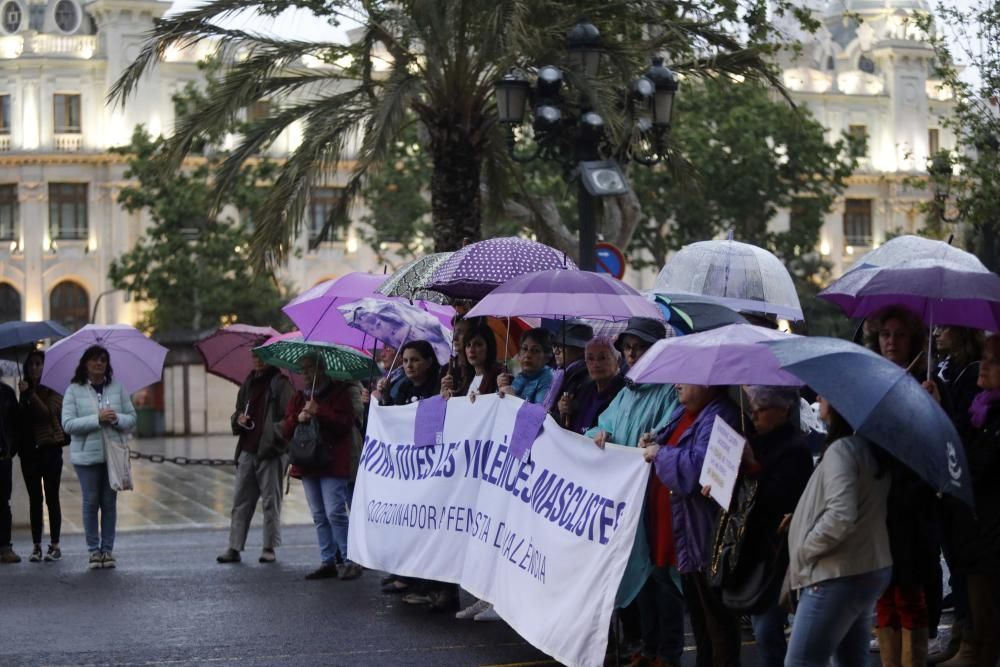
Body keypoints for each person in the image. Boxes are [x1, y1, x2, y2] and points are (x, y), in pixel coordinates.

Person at [583, 318, 678, 663]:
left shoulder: (670, 389)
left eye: (641, 347)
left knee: (663, 577)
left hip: (658, 499)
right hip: (630, 502)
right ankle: (647, 648)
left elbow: (671, 431)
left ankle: (667, 653)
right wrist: (599, 433)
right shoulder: (626, 392)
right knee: (641, 574)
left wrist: (655, 440)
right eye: (628, 347)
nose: (633, 353)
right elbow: (601, 425)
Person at [783, 395, 893, 666]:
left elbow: (841, 515)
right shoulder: (866, 447)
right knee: (850, 660)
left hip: (836, 571)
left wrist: (805, 549)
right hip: (864, 567)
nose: (818, 398)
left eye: (824, 395)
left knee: (800, 662)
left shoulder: (842, 450)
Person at [641, 384, 742, 667]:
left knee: (717, 626)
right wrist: (652, 440)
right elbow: (668, 443)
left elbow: (695, 470)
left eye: (686, 377)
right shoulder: (684, 411)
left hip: (706, 536)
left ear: (708, 383)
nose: (677, 384)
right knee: (700, 625)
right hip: (687, 534)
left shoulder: (720, 416)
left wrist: (659, 453)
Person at [867, 306, 938, 667]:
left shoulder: (924, 385)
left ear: (914, 342)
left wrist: (933, 408)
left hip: (911, 508)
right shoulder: (871, 381)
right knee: (883, 595)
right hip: (878, 505)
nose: (891, 342)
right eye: (885, 334)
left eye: (899, 335)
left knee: (910, 594)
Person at [738, 386, 815, 667]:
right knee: (764, 627)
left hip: (780, 551)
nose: (755, 415)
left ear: (783, 411)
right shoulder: (756, 440)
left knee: (767, 627)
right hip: (756, 547)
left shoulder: (795, 449)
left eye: (762, 408)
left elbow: (778, 498)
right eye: (753, 408)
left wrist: (752, 466)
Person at [282, 353, 362, 581]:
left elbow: (346, 423)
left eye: (309, 369)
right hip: (308, 462)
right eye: (302, 370)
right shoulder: (298, 398)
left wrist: (320, 411)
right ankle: (327, 559)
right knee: (318, 514)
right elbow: (286, 429)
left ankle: (349, 559)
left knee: (335, 511)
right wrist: (297, 418)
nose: (305, 374)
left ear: (321, 369)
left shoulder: (338, 393)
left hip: (332, 460)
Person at [946, 334, 1000, 667]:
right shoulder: (981, 409)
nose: (984, 365)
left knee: (987, 636)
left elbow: (977, 467)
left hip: (991, 541)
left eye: (994, 359)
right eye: (984, 356)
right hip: (977, 538)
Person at [62, 345, 137, 570]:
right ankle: (93, 551)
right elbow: (68, 424)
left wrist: (115, 419)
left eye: (103, 360)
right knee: (90, 502)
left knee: (109, 503)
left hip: (113, 454)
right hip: (86, 456)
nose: (99, 364)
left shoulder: (117, 388)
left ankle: (108, 551)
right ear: (85, 364)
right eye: (94, 360)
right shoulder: (74, 390)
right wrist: (96, 419)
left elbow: (132, 417)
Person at [217, 350, 294, 565]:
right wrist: (238, 419)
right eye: (255, 357)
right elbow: (238, 410)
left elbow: (289, 419)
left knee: (271, 501)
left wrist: (270, 434)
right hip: (247, 449)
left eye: (262, 357)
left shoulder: (281, 383)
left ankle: (269, 547)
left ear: (271, 358)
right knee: (240, 501)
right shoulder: (249, 382)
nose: (258, 361)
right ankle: (234, 546)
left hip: (270, 451)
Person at [18, 350, 67, 563]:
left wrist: (31, 395)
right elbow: (22, 420)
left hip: (50, 449)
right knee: (34, 499)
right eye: (31, 365)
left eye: (39, 364)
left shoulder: (55, 388)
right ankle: (36, 545)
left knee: (52, 497)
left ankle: (55, 544)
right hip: (29, 452)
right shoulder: (25, 390)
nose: (35, 368)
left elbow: (47, 413)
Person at [557, 335, 625, 434]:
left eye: (602, 358)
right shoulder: (582, 388)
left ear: (618, 361)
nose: (596, 364)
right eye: (590, 359)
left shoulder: (623, 394)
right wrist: (565, 409)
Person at [441, 322, 504, 399]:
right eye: (468, 345)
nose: (471, 350)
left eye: (478, 344)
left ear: (489, 347)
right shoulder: (468, 377)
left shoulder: (500, 377)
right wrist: (446, 393)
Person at [498, 328, 556, 404]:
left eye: (535, 350)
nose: (528, 355)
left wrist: (513, 398)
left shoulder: (549, 378)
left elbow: (539, 412)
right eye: (525, 349)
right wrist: (501, 388)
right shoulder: (521, 376)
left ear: (548, 357)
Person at [377, 341, 441, 406]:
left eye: (415, 360)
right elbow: (395, 413)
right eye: (405, 361)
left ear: (429, 362)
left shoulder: (438, 388)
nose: (409, 365)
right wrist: (385, 396)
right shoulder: (404, 387)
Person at [551, 320, 593, 413]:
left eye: (562, 346)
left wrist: (572, 407)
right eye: (555, 346)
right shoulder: (559, 373)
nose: (556, 351)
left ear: (580, 350)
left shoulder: (586, 379)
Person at [0, 370, 20, 564]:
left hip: (2, 456)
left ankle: (5, 546)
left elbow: (15, 424)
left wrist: (9, 451)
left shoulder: (6, 393)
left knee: (3, 503)